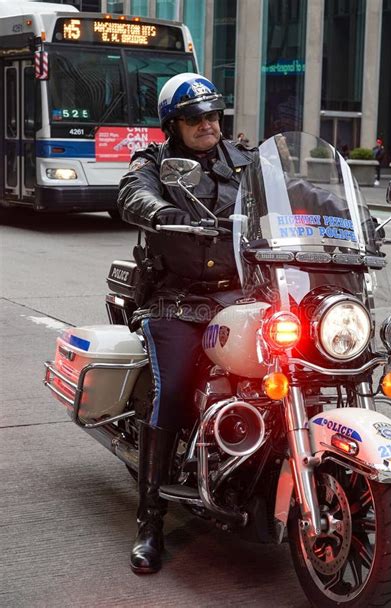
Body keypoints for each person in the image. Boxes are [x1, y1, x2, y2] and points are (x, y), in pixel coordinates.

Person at [117, 73, 258, 575]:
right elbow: (133, 194)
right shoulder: (153, 162)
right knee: (173, 388)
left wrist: (346, 215)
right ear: (173, 124)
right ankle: (150, 523)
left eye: (214, 115)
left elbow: (294, 192)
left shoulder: (245, 160)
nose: (208, 124)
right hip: (178, 297)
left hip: (240, 294)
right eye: (196, 117)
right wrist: (159, 212)